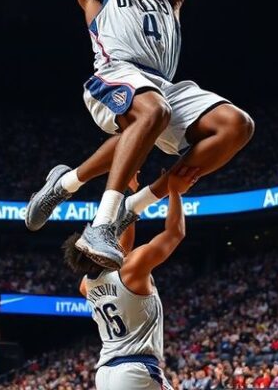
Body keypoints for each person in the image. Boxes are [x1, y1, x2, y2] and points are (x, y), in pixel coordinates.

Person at [26, 0, 254, 269]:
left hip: (162, 85)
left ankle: (107, 195)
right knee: (153, 111)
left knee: (236, 126)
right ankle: (102, 224)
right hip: (114, 73)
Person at [63, 167, 199, 390]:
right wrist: (175, 191)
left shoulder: (86, 285)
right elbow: (175, 233)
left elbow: (122, 249)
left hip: (105, 374)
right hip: (135, 369)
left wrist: (132, 195)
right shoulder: (132, 268)